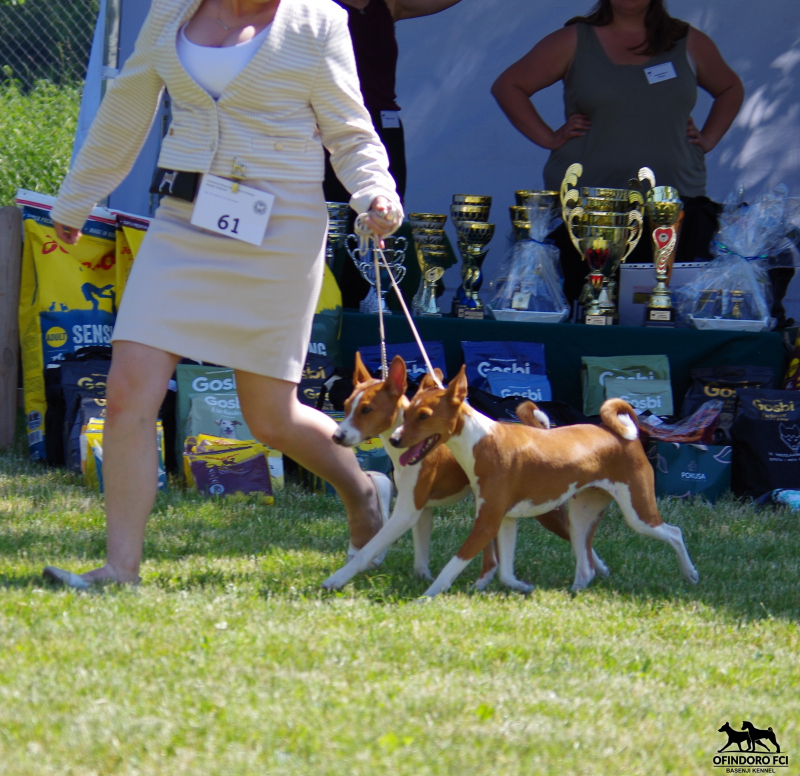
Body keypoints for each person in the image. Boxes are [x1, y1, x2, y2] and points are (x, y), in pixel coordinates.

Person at [43, 0, 403, 588]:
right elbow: (127, 106)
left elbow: (349, 128)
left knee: (270, 419)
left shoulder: (319, 22)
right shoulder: (169, 12)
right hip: (185, 218)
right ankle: (119, 570)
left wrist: (373, 193)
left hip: (280, 229)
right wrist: (77, 197)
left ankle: (363, 491)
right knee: (128, 386)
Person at [491, 0, 744, 305]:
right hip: (585, 210)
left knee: (659, 311)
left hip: (671, 203)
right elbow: (509, 86)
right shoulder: (574, 39)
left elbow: (730, 88)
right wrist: (549, 137)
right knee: (585, 307)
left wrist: (710, 137)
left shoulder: (688, 41)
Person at [323, 0, 467, 308]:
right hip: (331, 128)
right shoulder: (314, 7)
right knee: (331, 223)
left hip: (382, 130)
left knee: (382, 216)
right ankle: (326, 303)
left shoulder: (387, 5)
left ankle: (371, 301)